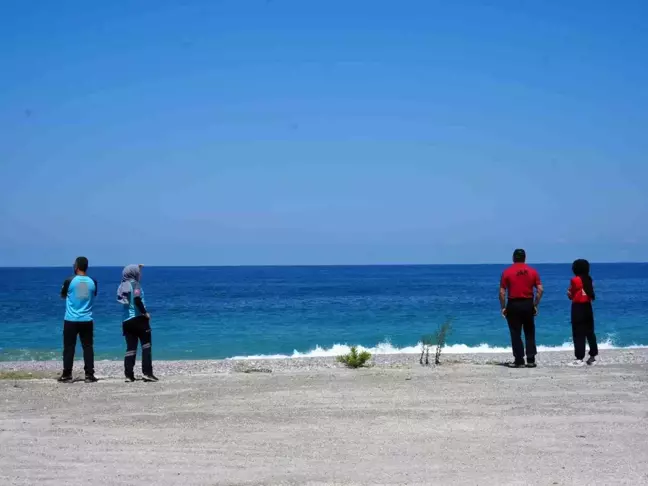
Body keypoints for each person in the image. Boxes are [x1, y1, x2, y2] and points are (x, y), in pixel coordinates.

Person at [499, 249, 544, 368]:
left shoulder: (507, 272)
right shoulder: (533, 271)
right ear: (525, 258)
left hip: (513, 304)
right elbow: (540, 290)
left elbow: (502, 292)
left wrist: (503, 307)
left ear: (513, 258)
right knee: (529, 332)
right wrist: (535, 304)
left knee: (515, 333)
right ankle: (530, 359)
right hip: (528, 303)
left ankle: (519, 360)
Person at [58, 256, 98, 383]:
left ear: (76, 266)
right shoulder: (93, 282)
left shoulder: (69, 281)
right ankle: (89, 374)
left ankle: (67, 374)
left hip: (71, 319)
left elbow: (63, 295)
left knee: (69, 347)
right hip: (87, 319)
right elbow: (93, 294)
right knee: (88, 347)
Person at [117, 264, 158, 382]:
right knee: (146, 346)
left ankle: (128, 375)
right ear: (134, 274)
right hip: (138, 318)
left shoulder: (122, 285)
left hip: (126, 321)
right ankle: (147, 373)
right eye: (138, 272)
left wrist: (137, 266)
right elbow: (136, 299)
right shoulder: (135, 284)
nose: (140, 274)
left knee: (130, 348)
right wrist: (145, 313)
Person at [567, 259, 598, 366]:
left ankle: (579, 357)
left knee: (578, 332)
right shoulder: (589, 279)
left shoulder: (575, 280)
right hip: (588, 307)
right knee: (590, 332)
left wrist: (569, 292)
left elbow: (571, 294)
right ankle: (593, 356)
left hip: (578, 307)